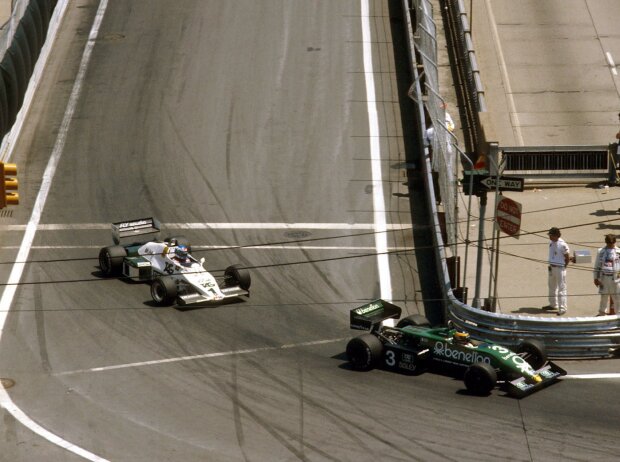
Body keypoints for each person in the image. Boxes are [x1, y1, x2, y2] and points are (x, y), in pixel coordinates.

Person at [543, 227, 570, 315]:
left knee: (561, 289)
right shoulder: (551, 243)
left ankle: (562, 308)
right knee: (551, 286)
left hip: (560, 268)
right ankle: (553, 304)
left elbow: (567, 257)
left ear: (556, 235)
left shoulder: (563, 245)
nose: (549, 237)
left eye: (551, 235)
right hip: (552, 267)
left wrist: (564, 267)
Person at [593, 234, 620, 316]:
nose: (610, 244)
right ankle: (602, 313)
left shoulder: (619, 251)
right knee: (603, 296)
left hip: (615, 278)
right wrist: (595, 278)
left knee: (617, 298)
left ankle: (618, 314)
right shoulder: (601, 251)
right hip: (603, 277)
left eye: (611, 243)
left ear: (614, 242)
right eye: (608, 243)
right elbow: (597, 265)